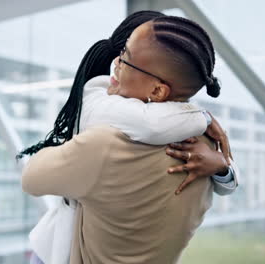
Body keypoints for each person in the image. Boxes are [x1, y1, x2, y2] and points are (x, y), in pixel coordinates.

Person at [21, 12, 238, 264]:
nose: (116, 62)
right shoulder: (210, 149)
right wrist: (205, 121)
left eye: (126, 58)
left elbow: (31, 178)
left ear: (157, 90)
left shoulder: (105, 146)